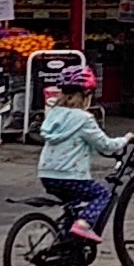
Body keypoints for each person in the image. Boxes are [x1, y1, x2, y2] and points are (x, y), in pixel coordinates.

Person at [34, 66, 124, 251]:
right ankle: (84, 224)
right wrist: (125, 140)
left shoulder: (54, 115)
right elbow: (105, 145)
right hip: (71, 175)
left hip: (47, 174)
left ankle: (66, 245)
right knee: (103, 194)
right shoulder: (84, 119)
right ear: (86, 95)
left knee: (72, 206)